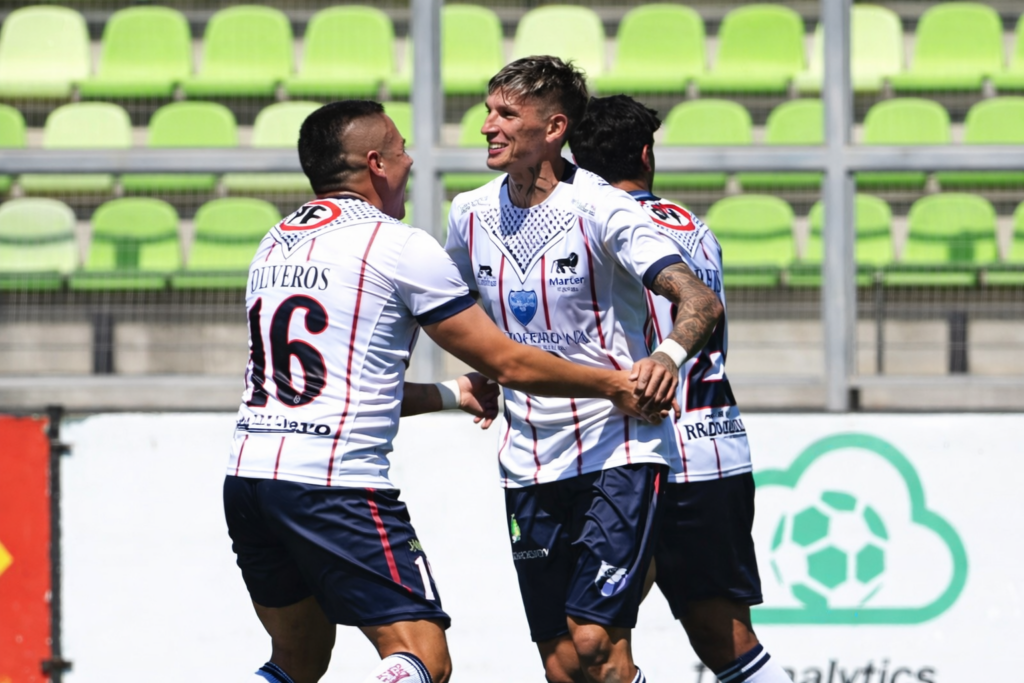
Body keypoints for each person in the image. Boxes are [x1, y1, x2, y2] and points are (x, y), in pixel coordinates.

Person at [225, 100, 673, 683]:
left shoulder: (276, 242)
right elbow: (506, 361)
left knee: (297, 658)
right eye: (400, 149)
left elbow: (344, 390)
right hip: (334, 486)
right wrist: (613, 384)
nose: (410, 160)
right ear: (375, 163)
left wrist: (451, 394)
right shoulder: (396, 245)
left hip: (250, 478)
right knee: (422, 659)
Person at [444, 58, 724, 683]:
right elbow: (450, 311)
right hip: (526, 457)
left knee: (595, 640)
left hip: (616, 447)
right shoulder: (468, 212)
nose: (487, 126)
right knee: (564, 665)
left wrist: (665, 357)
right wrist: (482, 370)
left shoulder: (603, 208)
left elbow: (700, 300)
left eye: (506, 114)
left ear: (554, 128)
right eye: (488, 111)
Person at [569, 94, 792, 683]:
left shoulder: (591, 228)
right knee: (726, 640)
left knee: (585, 647)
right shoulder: (693, 226)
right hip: (714, 448)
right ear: (645, 154)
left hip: (633, 453)